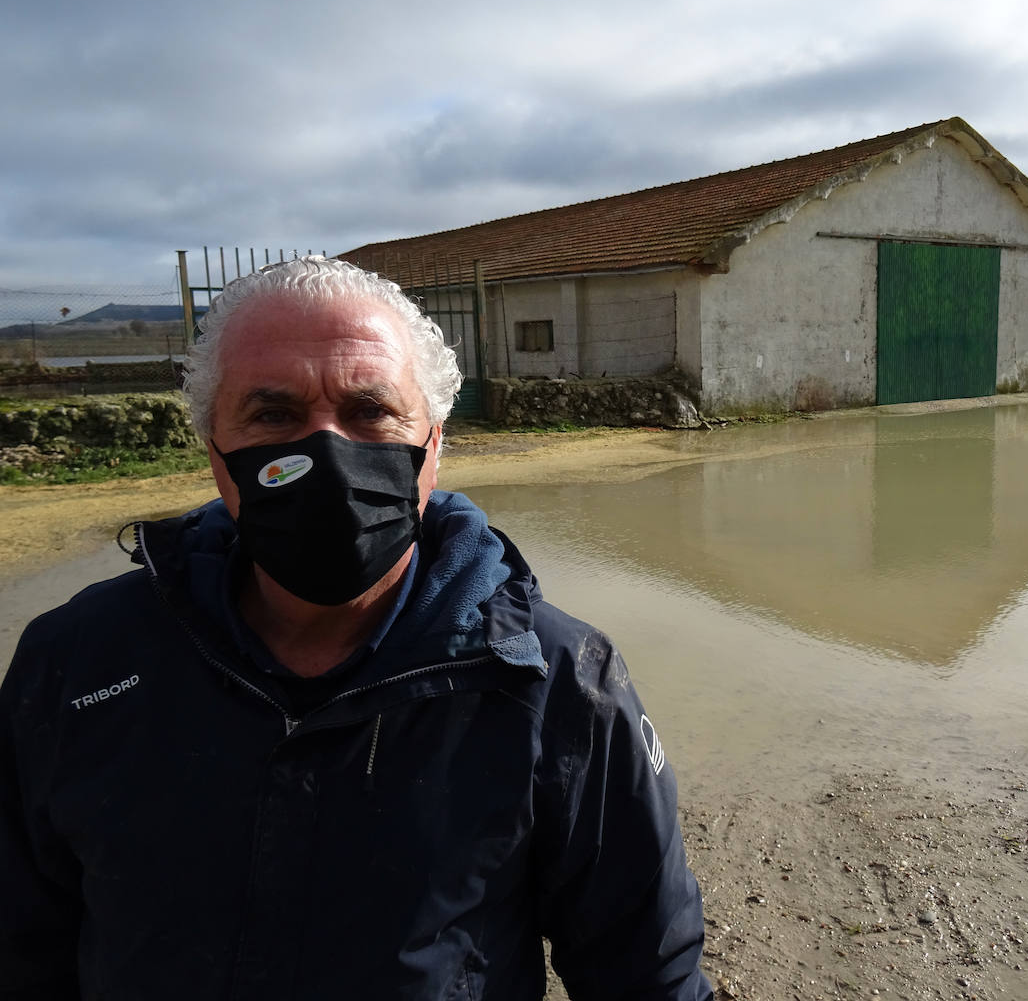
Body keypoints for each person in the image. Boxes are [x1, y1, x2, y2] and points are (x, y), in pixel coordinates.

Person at [0, 256, 714, 1000]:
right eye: (273, 414)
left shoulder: (554, 678)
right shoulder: (78, 662)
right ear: (215, 452)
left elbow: (647, 974)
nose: (328, 453)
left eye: (370, 410)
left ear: (434, 445)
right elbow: (22, 948)